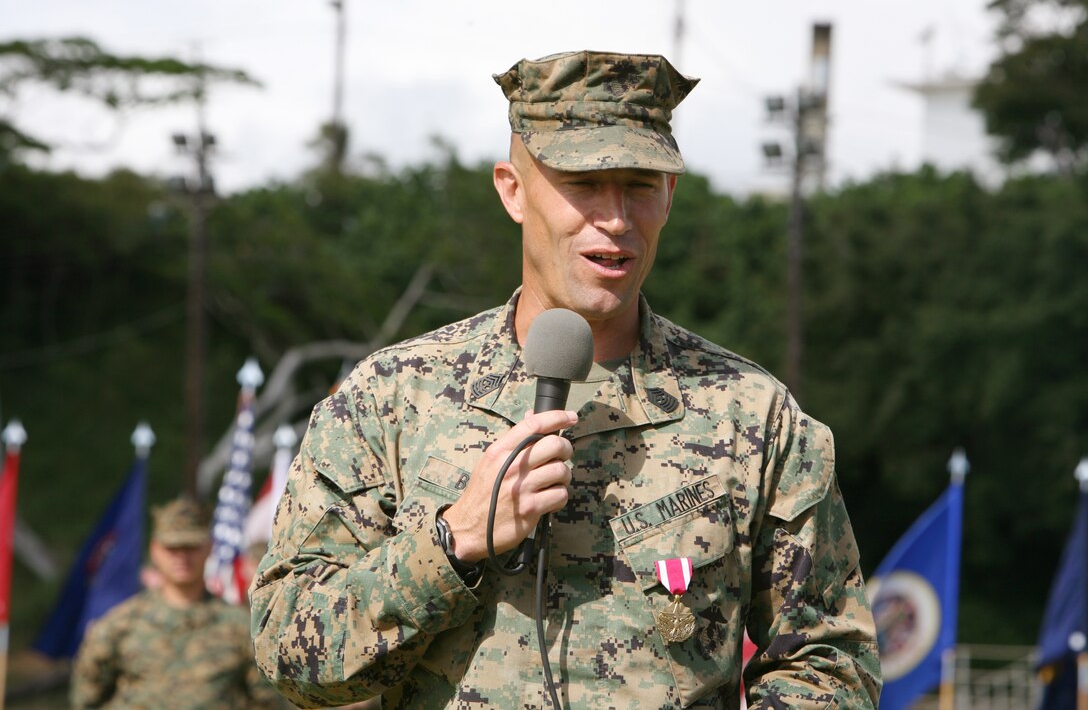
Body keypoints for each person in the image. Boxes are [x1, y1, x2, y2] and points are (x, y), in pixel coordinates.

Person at [251, 50, 881, 709]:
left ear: (669, 196)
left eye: (640, 184)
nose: (616, 218)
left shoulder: (752, 416)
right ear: (512, 190)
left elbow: (831, 660)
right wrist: (452, 542)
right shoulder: (391, 397)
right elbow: (288, 652)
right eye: (583, 183)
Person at [71, 497, 283, 709]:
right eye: (172, 548)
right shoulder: (120, 625)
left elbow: (267, 701)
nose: (182, 556)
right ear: (155, 550)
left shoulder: (240, 627)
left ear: (209, 547)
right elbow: (87, 699)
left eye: (191, 547)